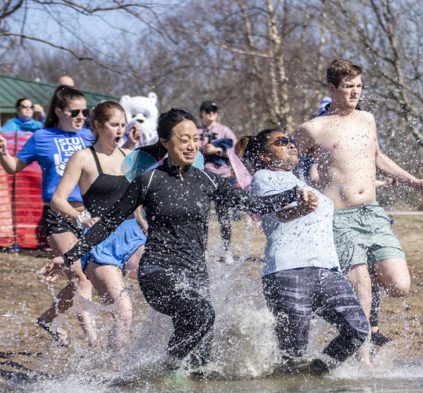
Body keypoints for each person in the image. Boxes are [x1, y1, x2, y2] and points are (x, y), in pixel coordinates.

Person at [40, 108, 313, 376]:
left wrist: (293, 193)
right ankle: (164, 373)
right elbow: (108, 223)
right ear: (165, 142)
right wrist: (67, 256)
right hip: (158, 272)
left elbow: (253, 203)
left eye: (195, 139)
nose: (192, 145)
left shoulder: (207, 180)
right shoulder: (148, 181)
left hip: (195, 274)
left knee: (202, 354)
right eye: (184, 140)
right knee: (202, 314)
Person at [293, 59, 423, 361]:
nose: (355, 91)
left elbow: (378, 157)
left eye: (358, 85)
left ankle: (335, 298)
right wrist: (300, 192)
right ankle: (365, 365)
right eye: (348, 86)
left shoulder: (367, 119)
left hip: (372, 213)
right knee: (363, 291)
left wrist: (413, 182)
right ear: (332, 88)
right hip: (339, 217)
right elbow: (285, 164)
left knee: (399, 284)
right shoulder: (312, 128)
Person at [241, 129, 369, 373]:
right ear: (265, 156)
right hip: (288, 271)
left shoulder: (301, 182)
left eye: (291, 140)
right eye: (281, 142)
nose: (291, 145)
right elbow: (279, 214)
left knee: (357, 328)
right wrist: (301, 209)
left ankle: (316, 374)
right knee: (293, 353)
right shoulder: (263, 178)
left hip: (327, 270)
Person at [0, 85, 95, 347]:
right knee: (79, 278)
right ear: (58, 111)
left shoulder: (89, 136)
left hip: (88, 215)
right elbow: (14, 168)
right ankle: (94, 343)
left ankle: (49, 319)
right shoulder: (42, 137)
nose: (81, 116)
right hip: (57, 215)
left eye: (84, 111)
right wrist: (3, 152)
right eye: (75, 111)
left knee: (85, 279)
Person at [49, 101, 147, 354]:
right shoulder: (83, 158)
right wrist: (80, 218)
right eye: (114, 125)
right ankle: (113, 372)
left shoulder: (129, 157)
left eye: (123, 125)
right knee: (123, 312)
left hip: (134, 238)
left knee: (165, 290)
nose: (120, 130)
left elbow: (131, 199)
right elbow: (58, 200)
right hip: (101, 244)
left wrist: (142, 221)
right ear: (97, 125)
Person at [198, 100, 238, 263]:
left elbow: (235, 149)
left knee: (224, 215)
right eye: (208, 110)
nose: (211, 113)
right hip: (202, 176)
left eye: (214, 110)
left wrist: (218, 150)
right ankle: (203, 250)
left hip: (222, 177)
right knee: (202, 215)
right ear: (201, 113)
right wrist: (202, 149)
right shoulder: (196, 130)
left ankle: (227, 251)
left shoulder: (224, 130)